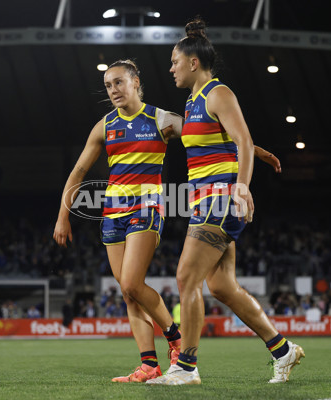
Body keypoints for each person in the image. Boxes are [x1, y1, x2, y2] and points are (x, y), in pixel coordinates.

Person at [148, 18, 304, 386]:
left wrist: (244, 185)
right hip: (203, 200)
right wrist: (258, 152)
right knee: (221, 287)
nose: (170, 68)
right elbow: (229, 141)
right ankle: (283, 350)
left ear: (192, 62)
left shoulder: (219, 93)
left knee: (186, 277)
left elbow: (242, 141)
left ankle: (186, 366)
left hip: (220, 199)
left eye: (174, 61)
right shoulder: (193, 102)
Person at [53, 60, 184, 383]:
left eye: (119, 82)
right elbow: (78, 173)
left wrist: (248, 147)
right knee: (128, 294)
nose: (113, 90)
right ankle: (149, 365)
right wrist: (63, 216)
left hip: (147, 207)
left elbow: (207, 133)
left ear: (135, 82)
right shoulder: (104, 125)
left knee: (130, 283)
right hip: (112, 214)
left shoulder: (160, 119)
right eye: (108, 85)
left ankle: (175, 339)